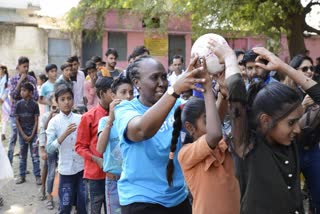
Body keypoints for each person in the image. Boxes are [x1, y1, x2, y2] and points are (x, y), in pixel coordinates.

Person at [209, 40, 320, 213]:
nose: (298, 129)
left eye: (298, 120)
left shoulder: (291, 142)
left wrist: (283, 67)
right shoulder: (247, 146)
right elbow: (237, 94)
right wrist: (230, 59)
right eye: (291, 122)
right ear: (265, 120)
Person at [114, 55, 206, 214]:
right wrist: (174, 90)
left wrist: (219, 91)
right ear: (137, 83)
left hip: (176, 198)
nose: (162, 83)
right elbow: (141, 130)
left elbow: (206, 127)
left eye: (164, 77)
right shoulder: (125, 110)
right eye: (154, 78)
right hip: (141, 200)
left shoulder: (176, 105)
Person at [75, 77, 114, 213]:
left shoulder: (120, 115)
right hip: (95, 176)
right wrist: (96, 159)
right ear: (103, 93)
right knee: (94, 210)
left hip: (114, 175)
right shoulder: (88, 117)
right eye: (112, 91)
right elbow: (79, 147)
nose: (116, 95)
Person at [96, 75, 134, 214]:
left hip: (132, 180)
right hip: (114, 182)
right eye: (123, 92)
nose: (128, 96)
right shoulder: (104, 121)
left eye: (131, 92)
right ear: (113, 96)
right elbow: (100, 149)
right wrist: (110, 120)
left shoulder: (136, 121)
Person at [46, 85, 86, 214]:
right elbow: (49, 149)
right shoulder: (54, 122)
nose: (66, 102)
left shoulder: (80, 119)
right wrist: (64, 135)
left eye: (69, 98)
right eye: (62, 99)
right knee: (65, 206)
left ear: (73, 100)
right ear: (57, 102)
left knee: (83, 204)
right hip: (65, 171)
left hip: (81, 169)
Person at [8, 56, 39, 164]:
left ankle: (23, 166)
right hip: (15, 115)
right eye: (24, 66)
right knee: (13, 138)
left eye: (27, 66)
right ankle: (9, 163)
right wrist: (20, 82)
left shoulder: (32, 80)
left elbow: (35, 97)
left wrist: (26, 95)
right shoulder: (13, 79)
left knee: (26, 141)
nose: (26, 69)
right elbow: (12, 95)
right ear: (19, 67)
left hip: (29, 116)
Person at [15, 82, 41, 184]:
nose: (22, 92)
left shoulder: (34, 105)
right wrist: (23, 135)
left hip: (33, 134)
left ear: (30, 93)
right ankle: (22, 176)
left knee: (35, 156)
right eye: (21, 90)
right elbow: (17, 120)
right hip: (22, 134)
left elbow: (36, 121)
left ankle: (38, 176)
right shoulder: (18, 104)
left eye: (24, 90)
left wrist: (31, 135)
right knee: (22, 156)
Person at [38, 95, 59, 210]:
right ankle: (47, 193)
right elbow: (43, 130)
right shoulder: (46, 116)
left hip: (60, 148)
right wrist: (42, 147)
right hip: (49, 147)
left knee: (57, 172)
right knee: (49, 170)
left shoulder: (63, 115)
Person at [0, 65, 9, 141]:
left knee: (5, 117)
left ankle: (3, 133)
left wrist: (2, 98)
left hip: (5, 100)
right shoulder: (1, 79)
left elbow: (7, 90)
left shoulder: (7, 79)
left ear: (4, 70)